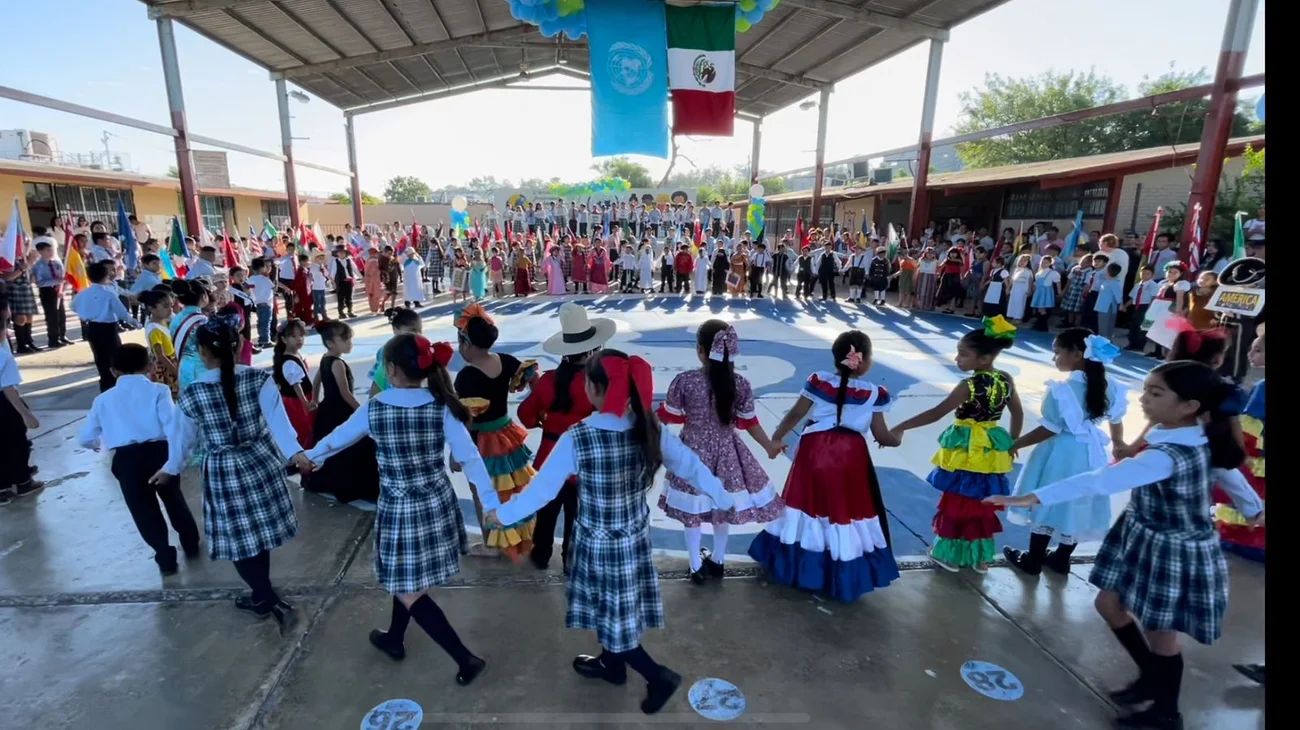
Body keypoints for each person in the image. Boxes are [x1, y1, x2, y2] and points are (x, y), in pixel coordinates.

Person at [986, 361, 1263, 730]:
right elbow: (1236, 483)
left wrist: (1030, 498)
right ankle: (1152, 677)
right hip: (1145, 536)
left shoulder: (1165, 455)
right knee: (1108, 602)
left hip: (1173, 550)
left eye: (1156, 392)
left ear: (1190, 406)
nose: (1144, 398)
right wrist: (1254, 508)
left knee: (1161, 633)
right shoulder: (1193, 438)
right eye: (1146, 389)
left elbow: (1100, 480)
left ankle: (1167, 712)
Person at [485, 350, 734, 715]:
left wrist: (502, 515)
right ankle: (611, 666)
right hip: (632, 540)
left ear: (596, 388)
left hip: (599, 544)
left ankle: (657, 675)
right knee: (615, 611)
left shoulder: (579, 436)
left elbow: (543, 492)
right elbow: (691, 466)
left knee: (610, 616)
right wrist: (723, 496)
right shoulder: (649, 427)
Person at [306, 334, 489, 684]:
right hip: (435, 504)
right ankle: (394, 637)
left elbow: (337, 438)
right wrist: (492, 503)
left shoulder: (377, 407)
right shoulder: (440, 405)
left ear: (391, 369)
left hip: (401, 509)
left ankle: (465, 659)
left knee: (405, 584)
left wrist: (308, 457)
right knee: (408, 577)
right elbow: (470, 457)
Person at [155, 315, 314, 634]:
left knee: (240, 540)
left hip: (224, 471)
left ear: (202, 352)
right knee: (259, 535)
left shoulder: (194, 393)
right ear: (239, 345)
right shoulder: (260, 379)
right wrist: (297, 453)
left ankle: (268, 599)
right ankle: (261, 595)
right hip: (262, 463)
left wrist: (169, 470)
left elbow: (181, 441)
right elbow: (280, 424)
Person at [749, 330, 901, 601]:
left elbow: (796, 413)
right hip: (849, 457)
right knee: (844, 511)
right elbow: (882, 436)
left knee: (805, 506)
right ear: (864, 360)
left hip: (814, 451)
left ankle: (796, 565)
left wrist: (776, 438)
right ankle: (840, 567)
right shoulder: (876, 394)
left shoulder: (818, 382)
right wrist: (897, 437)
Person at [891, 317, 1023, 573]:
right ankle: (981, 559)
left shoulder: (969, 386)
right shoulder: (1005, 378)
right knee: (983, 501)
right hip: (992, 448)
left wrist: (901, 426)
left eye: (963, 354)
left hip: (966, 449)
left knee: (958, 501)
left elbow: (937, 412)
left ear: (983, 359)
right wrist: (1013, 441)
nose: (957, 359)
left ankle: (949, 555)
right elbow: (1017, 413)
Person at [657, 322, 784, 583]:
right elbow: (749, 423)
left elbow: (667, 416)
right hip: (728, 453)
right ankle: (718, 559)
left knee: (691, 510)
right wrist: (770, 445)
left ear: (701, 349)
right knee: (721, 506)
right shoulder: (740, 384)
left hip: (691, 452)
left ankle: (695, 566)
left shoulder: (686, 382)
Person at [1002, 330, 1127, 575]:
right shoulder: (1111, 385)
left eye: (1057, 352)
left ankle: (1034, 560)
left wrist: (1016, 444)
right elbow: (1116, 418)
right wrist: (1118, 442)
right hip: (1092, 453)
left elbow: (1050, 428)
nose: (1054, 358)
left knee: (1049, 498)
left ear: (1077, 354)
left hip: (1060, 453)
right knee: (1077, 501)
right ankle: (1061, 558)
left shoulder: (1062, 389)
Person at [78, 343, 199, 573]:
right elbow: (172, 426)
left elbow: (85, 437)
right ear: (149, 365)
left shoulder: (102, 400)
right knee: (174, 500)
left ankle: (164, 555)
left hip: (127, 460)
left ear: (113, 371)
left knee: (143, 510)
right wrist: (176, 459)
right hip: (159, 454)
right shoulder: (159, 391)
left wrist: (97, 444)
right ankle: (190, 543)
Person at [518, 304, 614, 572]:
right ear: (592, 349)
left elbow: (525, 416)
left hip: (548, 457)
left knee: (546, 511)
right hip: (584, 459)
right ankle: (572, 561)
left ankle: (540, 555)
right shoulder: (597, 384)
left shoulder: (547, 381)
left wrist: (540, 408)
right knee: (577, 514)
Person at [453, 304, 538, 558]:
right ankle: (516, 535)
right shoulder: (506, 361)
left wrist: (457, 453)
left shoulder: (467, 377)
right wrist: (537, 406)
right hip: (507, 434)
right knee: (511, 490)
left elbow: (466, 420)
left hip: (482, 442)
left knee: (482, 492)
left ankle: (492, 543)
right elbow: (534, 377)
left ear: (465, 343)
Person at [307, 320, 382, 506]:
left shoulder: (325, 358)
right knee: (352, 447)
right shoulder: (338, 364)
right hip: (340, 410)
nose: (350, 343)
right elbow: (345, 392)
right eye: (345, 339)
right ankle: (353, 486)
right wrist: (361, 411)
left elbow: (316, 381)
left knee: (333, 448)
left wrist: (315, 400)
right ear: (331, 343)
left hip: (328, 410)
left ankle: (330, 482)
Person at [72, 261, 141, 392]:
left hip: (92, 328)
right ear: (106, 275)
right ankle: (116, 387)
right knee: (115, 359)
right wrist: (136, 323)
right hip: (108, 329)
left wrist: (86, 313)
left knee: (100, 360)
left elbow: (73, 306)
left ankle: (105, 387)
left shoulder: (82, 293)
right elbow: (122, 313)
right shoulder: (108, 294)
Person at [0, 315, 42, 504]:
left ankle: (2, 488)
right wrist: (25, 414)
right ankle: (23, 481)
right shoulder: (3, 356)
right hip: (3, 405)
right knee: (16, 442)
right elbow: (8, 387)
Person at [272, 319, 314, 449]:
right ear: (284, 339)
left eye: (301, 335)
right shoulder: (288, 361)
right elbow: (296, 385)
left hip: (302, 398)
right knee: (304, 429)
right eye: (293, 336)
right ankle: (306, 460)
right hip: (297, 401)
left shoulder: (295, 355)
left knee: (309, 428)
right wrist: (305, 402)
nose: (299, 339)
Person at [369, 307, 423, 396]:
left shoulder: (422, 348)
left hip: (416, 395)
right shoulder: (386, 351)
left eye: (419, 330)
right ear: (395, 330)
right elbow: (378, 381)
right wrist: (372, 402)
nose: (416, 334)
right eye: (411, 331)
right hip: (392, 396)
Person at [139, 289, 180, 397]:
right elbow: (160, 356)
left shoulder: (163, 322)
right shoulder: (154, 329)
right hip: (165, 367)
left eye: (171, 305)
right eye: (165, 306)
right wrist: (175, 371)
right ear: (151, 308)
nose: (170, 310)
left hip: (171, 361)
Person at [31, 239, 68, 349]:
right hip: (47, 292)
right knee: (52, 316)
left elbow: (63, 277)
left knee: (61, 315)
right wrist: (57, 282)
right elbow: (40, 282)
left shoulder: (56, 262)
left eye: (51, 249)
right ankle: (53, 338)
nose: (50, 252)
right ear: (40, 251)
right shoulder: (38, 266)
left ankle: (62, 335)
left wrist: (63, 289)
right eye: (47, 250)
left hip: (58, 291)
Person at [1094, 262, 1125, 340]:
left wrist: (1121, 304)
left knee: (1105, 328)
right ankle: (1105, 342)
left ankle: (1106, 343)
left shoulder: (1114, 283)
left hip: (1107, 307)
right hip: (1102, 307)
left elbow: (1118, 296)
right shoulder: (1106, 281)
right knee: (1102, 328)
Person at [1030, 255, 1061, 330]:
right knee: (1039, 309)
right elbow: (1036, 283)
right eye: (1042, 262)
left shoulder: (1052, 273)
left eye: (1046, 262)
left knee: (1042, 309)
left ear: (1050, 263)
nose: (1043, 264)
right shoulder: (1039, 273)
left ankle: (1043, 325)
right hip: (1039, 291)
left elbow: (1057, 282)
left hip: (1045, 292)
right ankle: (1039, 323)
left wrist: (1059, 291)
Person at [1005, 254, 1033, 323]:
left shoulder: (1028, 271)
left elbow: (1030, 281)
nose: (1022, 262)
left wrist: (1030, 289)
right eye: (1021, 261)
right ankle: (1011, 315)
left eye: (1024, 261)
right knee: (1012, 302)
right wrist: (1008, 288)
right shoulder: (1016, 270)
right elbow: (1012, 280)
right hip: (1015, 289)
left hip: (1023, 289)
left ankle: (1018, 317)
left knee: (1020, 303)